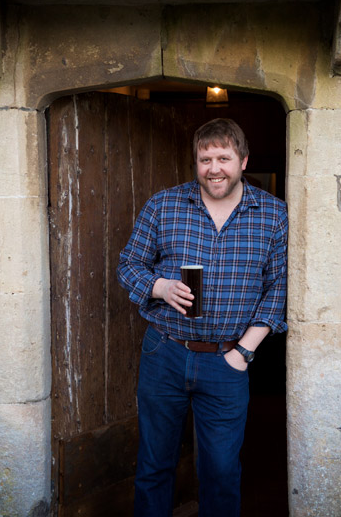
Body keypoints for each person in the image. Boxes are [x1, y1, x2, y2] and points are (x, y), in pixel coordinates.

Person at [117, 117, 288, 517]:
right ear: (196, 162)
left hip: (228, 360)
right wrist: (159, 286)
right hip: (165, 352)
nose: (214, 168)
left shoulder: (273, 215)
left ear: (243, 161)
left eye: (223, 158)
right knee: (155, 464)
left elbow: (276, 292)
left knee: (222, 471)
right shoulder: (164, 205)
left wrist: (242, 354)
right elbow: (130, 264)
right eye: (205, 159)